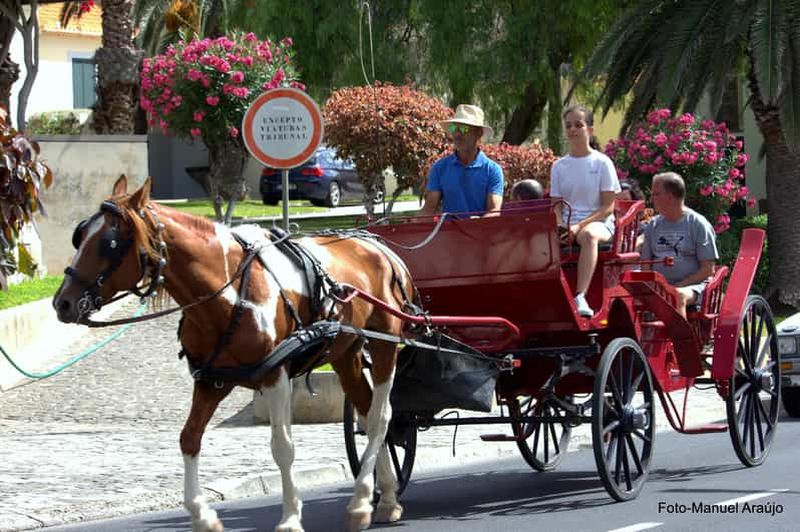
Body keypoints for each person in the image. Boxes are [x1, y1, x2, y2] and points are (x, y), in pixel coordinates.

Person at [550, 104, 621, 317]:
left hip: (599, 224)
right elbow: (556, 206)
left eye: (578, 125)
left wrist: (578, 226)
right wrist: (561, 226)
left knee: (588, 236)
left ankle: (580, 297)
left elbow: (608, 207)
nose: (573, 130)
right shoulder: (559, 166)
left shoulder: (602, 162)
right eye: (569, 125)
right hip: (569, 224)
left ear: (589, 130)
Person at [641, 172, 718, 319]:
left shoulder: (698, 224)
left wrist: (675, 288)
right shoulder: (653, 225)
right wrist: (654, 288)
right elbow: (646, 264)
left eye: (656, 194)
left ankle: (680, 341)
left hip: (694, 288)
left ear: (670, 196)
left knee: (678, 297)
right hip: (660, 288)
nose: (652, 199)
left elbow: (708, 269)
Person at [419, 104, 504, 218]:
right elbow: (429, 209)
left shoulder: (492, 170)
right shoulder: (440, 168)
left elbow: (494, 211)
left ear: (479, 133)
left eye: (464, 129)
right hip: (449, 234)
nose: (458, 134)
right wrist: (410, 229)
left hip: (481, 234)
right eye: (454, 128)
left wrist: (478, 223)